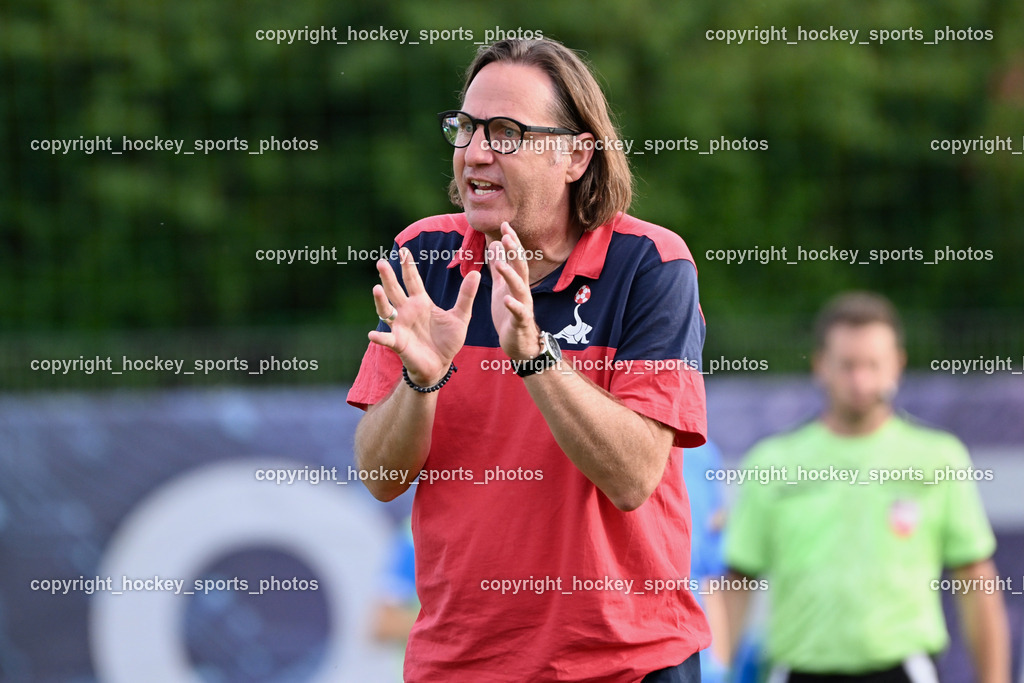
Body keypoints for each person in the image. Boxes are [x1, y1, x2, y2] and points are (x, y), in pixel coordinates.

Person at [348, 38, 710, 682]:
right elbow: (380, 475)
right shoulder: (423, 252)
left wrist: (535, 357)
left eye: (508, 133)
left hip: (628, 665)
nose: (476, 152)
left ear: (575, 154)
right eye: (466, 128)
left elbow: (633, 477)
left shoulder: (650, 264)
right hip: (461, 665)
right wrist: (419, 381)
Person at [723, 292, 1010, 683]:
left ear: (898, 365)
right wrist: (715, 671)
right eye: (847, 365)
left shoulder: (938, 458)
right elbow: (737, 582)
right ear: (820, 365)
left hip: (903, 670)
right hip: (798, 672)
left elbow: (976, 578)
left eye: (874, 365)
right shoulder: (772, 462)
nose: (860, 380)